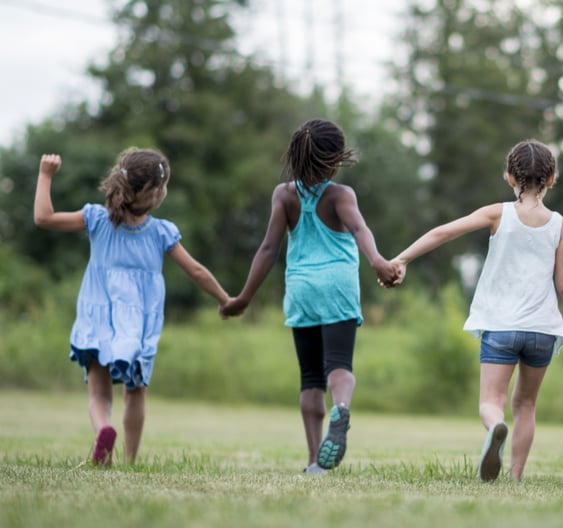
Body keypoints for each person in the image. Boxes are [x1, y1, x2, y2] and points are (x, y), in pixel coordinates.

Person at [389, 139, 563, 482]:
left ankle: (495, 426)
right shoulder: (559, 224)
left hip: (501, 325)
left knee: (491, 401)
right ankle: (516, 477)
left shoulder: (498, 213)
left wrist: (402, 258)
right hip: (542, 330)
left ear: (509, 177)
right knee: (527, 405)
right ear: (552, 179)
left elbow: (445, 232)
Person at [220, 119, 400, 474]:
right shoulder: (340, 196)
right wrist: (378, 261)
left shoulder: (283, 195)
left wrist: (243, 297)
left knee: (310, 378)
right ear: (335, 160)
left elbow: (269, 249)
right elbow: (360, 228)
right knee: (339, 366)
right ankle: (343, 408)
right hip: (337, 288)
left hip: (302, 290)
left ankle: (314, 459)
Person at [33, 149, 230, 466]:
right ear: (154, 194)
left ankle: (104, 430)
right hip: (136, 328)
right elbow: (197, 271)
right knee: (135, 392)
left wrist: (45, 176)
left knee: (98, 394)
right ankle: (131, 460)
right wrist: (225, 300)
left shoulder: (96, 219)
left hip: (97, 317)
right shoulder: (162, 233)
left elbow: (43, 218)